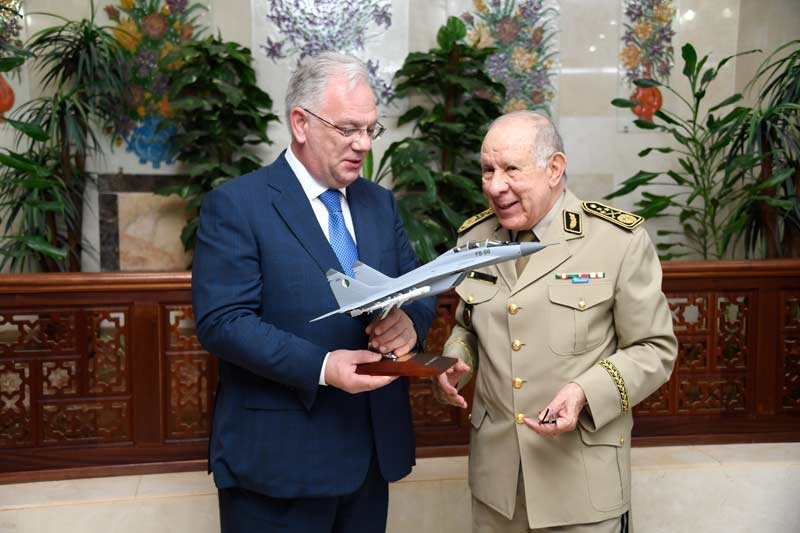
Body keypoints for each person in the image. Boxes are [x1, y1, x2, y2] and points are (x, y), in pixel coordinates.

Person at [192, 51, 435, 533]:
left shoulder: (380, 203)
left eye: (370, 129)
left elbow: (416, 287)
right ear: (300, 123)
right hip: (278, 462)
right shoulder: (237, 204)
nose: (363, 144)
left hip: (369, 456)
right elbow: (223, 321)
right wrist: (321, 366)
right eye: (348, 129)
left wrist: (410, 323)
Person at [434, 111, 677, 532]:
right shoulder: (474, 239)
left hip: (580, 485)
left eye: (511, 169)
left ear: (555, 169)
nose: (495, 186)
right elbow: (468, 326)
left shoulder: (616, 240)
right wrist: (456, 360)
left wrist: (585, 391)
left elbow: (654, 349)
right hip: (496, 488)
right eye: (488, 170)